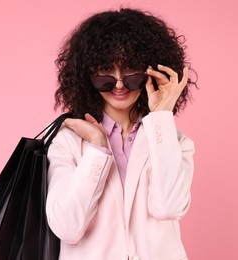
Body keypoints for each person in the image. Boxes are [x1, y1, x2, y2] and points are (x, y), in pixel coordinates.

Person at [46, 7, 197, 260]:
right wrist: (97, 147)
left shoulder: (174, 142)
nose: (118, 83)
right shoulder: (68, 141)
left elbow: (169, 207)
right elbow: (67, 227)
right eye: (105, 71)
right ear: (87, 76)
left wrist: (162, 117)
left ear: (151, 73)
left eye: (131, 72)